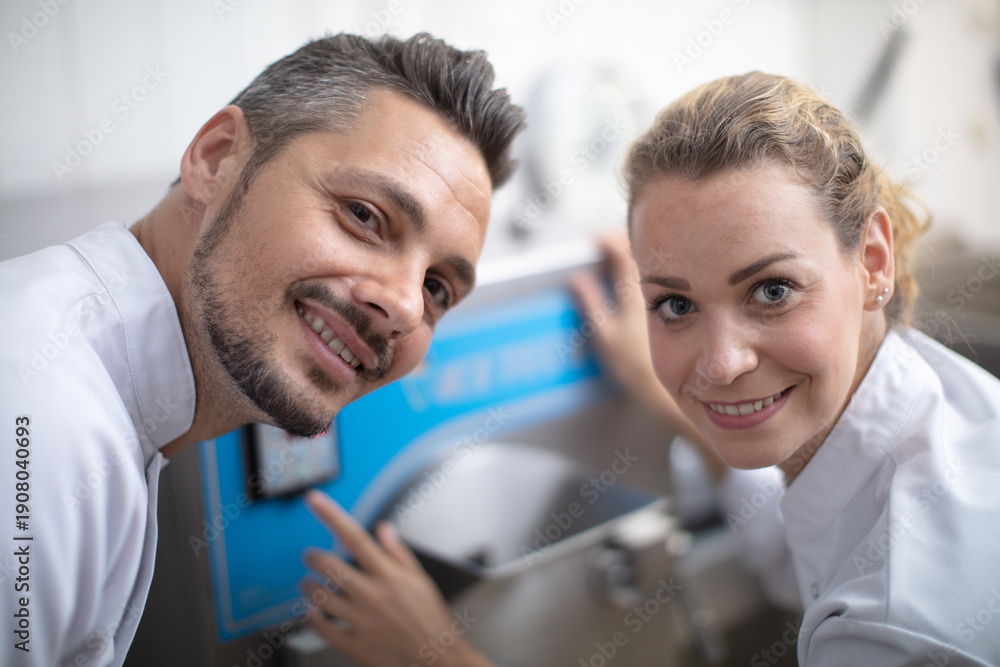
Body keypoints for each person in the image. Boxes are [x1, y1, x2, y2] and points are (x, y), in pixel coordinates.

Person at [302, 72, 1000, 666]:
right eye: (675, 303)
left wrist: (442, 655)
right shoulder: (932, 412)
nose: (722, 363)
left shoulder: (898, 628)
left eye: (773, 290)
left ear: (872, 260)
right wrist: (658, 390)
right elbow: (798, 554)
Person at [0, 32, 523, 667]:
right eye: (364, 215)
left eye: (437, 288)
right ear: (217, 159)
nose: (408, 308)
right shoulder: (40, 429)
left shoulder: (103, 411)